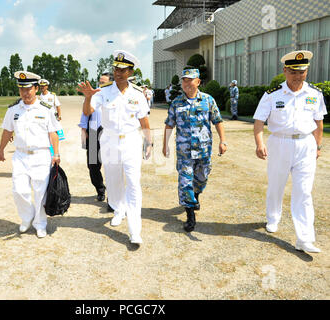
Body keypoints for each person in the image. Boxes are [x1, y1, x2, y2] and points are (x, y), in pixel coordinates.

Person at [253, 50, 327, 253]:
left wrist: (317, 146)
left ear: (307, 71)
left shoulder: (315, 94)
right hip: (280, 144)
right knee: (276, 185)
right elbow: (259, 121)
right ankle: (273, 218)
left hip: (306, 145)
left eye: (302, 72)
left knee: (304, 192)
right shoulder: (272, 95)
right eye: (294, 71)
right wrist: (260, 143)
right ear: (285, 70)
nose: (298, 76)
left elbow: (319, 123)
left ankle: (304, 238)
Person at [77, 50, 152, 245]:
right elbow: (88, 111)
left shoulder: (138, 94)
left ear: (130, 72)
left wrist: (148, 141)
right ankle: (119, 209)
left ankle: (135, 230)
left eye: (123, 69)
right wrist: (87, 97)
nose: (118, 72)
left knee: (133, 183)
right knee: (113, 182)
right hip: (109, 141)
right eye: (116, 68)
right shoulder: (103, 91)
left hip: (130, 141)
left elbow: (144, 121)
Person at [0, 71, 61, 239]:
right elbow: (7, 131)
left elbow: (53, 133)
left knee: (40, 192)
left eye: (28, 89)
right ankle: (27, 217)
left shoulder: (46, 109)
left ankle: (40, 224)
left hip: (41, 155)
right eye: (21, 89)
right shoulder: (13, 110)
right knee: (19, 190)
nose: (25, 93)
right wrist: (1, 149)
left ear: (35, 88)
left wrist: (56, 154)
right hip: (20, 155)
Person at [162, 68, 227, 232]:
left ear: (198, 82)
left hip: (204, 150)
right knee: (185, 182)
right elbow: (169, 124)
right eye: (184, 80)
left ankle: (196, 195)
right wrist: (165, 144)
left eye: (190, 80)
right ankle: (190, 215)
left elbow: (218, 121)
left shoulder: (208, 100)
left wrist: (223, 141)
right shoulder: (177, 102)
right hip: (184, 152)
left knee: (202, 178)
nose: (187, 83)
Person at [78, 73, 112, 204]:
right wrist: (83, 131)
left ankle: (113, 195)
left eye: (104, 82)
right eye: (100, 82)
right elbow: (85, 114)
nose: (100, 84)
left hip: (109, 133)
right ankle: (100, 189)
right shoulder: (92, 96)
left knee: (111, 164)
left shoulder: (114, 97)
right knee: (92, 165)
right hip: (93, 131)